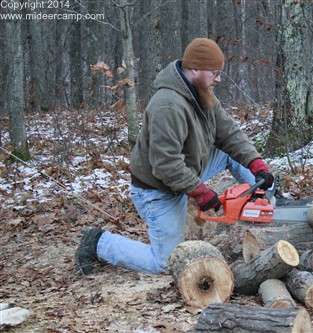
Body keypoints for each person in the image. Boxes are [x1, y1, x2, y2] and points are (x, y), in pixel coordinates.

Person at [75, 38, 274, 275]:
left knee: (230, 154)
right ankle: (99, 242)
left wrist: (257, 165)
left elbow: (228, 133)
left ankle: (264, 204)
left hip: (188, 167)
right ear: (195, 69)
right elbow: (166, 165)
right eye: (215, 73)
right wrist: (201, 193)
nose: (218, 79)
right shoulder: (168, 105)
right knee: (165, 263)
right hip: (158, 189)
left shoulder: (202, 93)